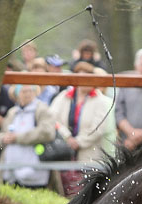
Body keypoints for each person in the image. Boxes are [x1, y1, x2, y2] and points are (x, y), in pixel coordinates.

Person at [49, 61, 114, 196]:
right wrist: (67, 137)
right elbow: (52, 118)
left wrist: (78, 142)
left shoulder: (101, 101)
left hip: (90, 155)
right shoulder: (64, 97)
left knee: (86, 193)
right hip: (64, 153)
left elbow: (98, 127)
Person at [0, 84, 55, 189]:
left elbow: (48, 132)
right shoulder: (13, 112)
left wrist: (18, 138)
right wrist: (4, 138)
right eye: (24, 91)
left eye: (30, 91)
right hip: (10, 172)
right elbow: (1, 135)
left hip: (34, 171)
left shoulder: (41, 109)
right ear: (17, 94)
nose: (28, 94)